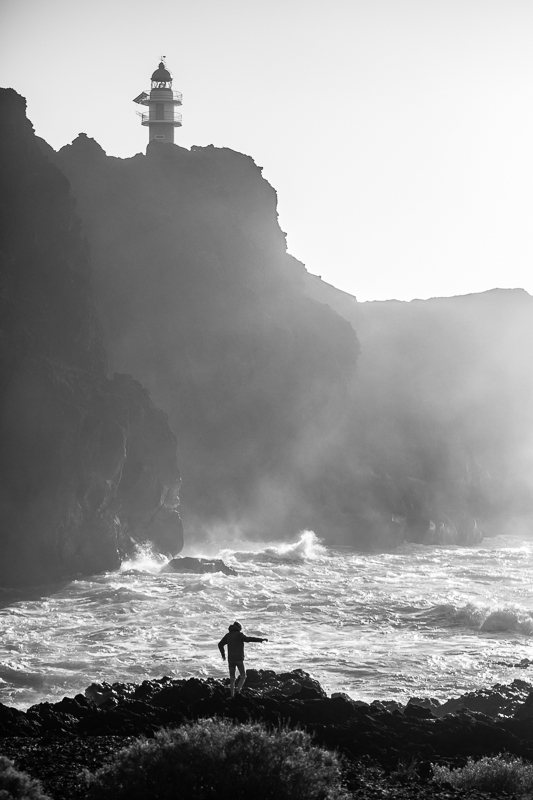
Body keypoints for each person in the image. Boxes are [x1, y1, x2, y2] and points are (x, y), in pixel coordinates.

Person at [218, 621, 268, 697]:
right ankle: (238, 691)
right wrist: (261, 640)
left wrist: (223, 655)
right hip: (239, 659)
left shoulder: (227, 635)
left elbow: (220, 644)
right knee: (243, 676)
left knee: (232, 678)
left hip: (230, 660)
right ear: (239, 628)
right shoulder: (239, 635)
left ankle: (232, 695)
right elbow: (249, 639)